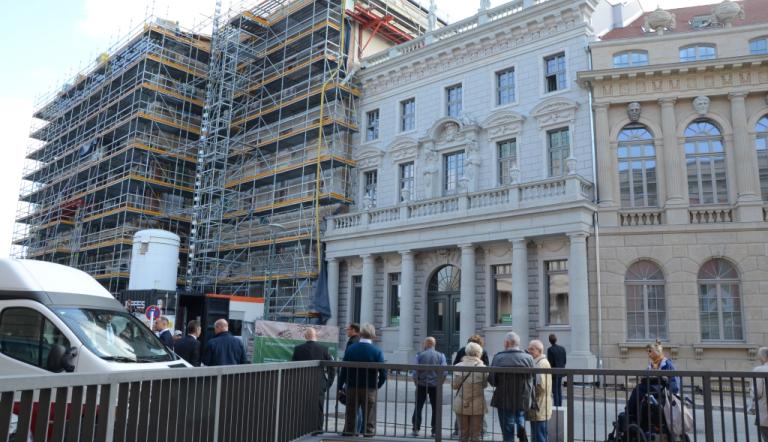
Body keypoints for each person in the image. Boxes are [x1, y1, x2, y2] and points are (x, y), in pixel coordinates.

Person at [337, 323, 386, 437]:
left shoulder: (351, 349)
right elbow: (383, 372)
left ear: (361, 334)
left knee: (351, 415)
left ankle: (350, 435)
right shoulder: (376, 351)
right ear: (373, 335)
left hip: (352, 387)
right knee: (369, 416)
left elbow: (344, 370)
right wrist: (377, 385)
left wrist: (340, 386)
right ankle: (368, 436)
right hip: (369, 388)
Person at [489, 331, 534, 442]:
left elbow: (492, 380)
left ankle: (512, 436)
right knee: (520, 414)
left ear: (507, 343)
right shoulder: (528, 358)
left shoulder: (498, 358)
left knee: (507, 426)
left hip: (504, 397)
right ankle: (520, 425)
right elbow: (534, 378)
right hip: (523, 396)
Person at [292, 327, 336, 432]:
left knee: (301, 407)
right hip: (319, 384)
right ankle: (318, 430)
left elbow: (292, 367)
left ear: (305, 336)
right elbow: (332, 367)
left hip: (302, 384)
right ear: (316, 336)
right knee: (319, 408)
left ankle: (301, 429)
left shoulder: (298, 349)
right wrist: (328, 383)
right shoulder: (324, 349)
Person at [627, 339, 679, 421]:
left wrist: (667, 391)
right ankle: (632, 414)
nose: (649, 354)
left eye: (650, 351)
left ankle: (630, 412)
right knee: (639, 390)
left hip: (662, 393)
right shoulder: (651, 365)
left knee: (639, 390)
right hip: (653, 391)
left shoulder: (667, 364)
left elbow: (674, 386)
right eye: (648, 352)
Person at [411, 337, 447, 436]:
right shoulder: (441, 356)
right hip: (435, 385)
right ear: (434, 344)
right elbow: (444, 372)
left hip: (421, 384)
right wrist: (440, 384)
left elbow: (414, 372)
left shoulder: (419, 355)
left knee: (418, 406)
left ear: (426, 344)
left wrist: (416, 382)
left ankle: (416, 428)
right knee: (436, 408)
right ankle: (435, 430)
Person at [452, 342, 488, 442]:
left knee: (463, 434)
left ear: (467, 352)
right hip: (477, 405)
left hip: (461, 403)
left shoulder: (458, 366)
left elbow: (454, 386)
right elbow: (484, 385)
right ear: (479, 353)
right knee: (475, 435)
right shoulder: (484, 369)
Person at [527, 340, 552, 442]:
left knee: (539, 436)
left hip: (539, 405)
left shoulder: (540, 364)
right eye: (529, 348)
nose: (529, 351)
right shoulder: (540, 362)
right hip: (540, 405)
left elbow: (541, 387)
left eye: (532, 349)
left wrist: (529, 392)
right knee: (538, 434)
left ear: (539, 350)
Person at [749, 347, 768, 440]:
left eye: (759, 357)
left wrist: (752, 407)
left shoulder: (759, 370)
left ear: (764, 358)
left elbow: (757, 392)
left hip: (765, 412)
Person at [546, 333, 566, 407]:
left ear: (549, 341)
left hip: (554, 372)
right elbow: (564, 360)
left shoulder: (550, 350)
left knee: (555, 390)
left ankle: (556, 405)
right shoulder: (562, 348)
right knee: (559, 390)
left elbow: (550, 362)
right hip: (561, 371)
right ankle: (560, 405)